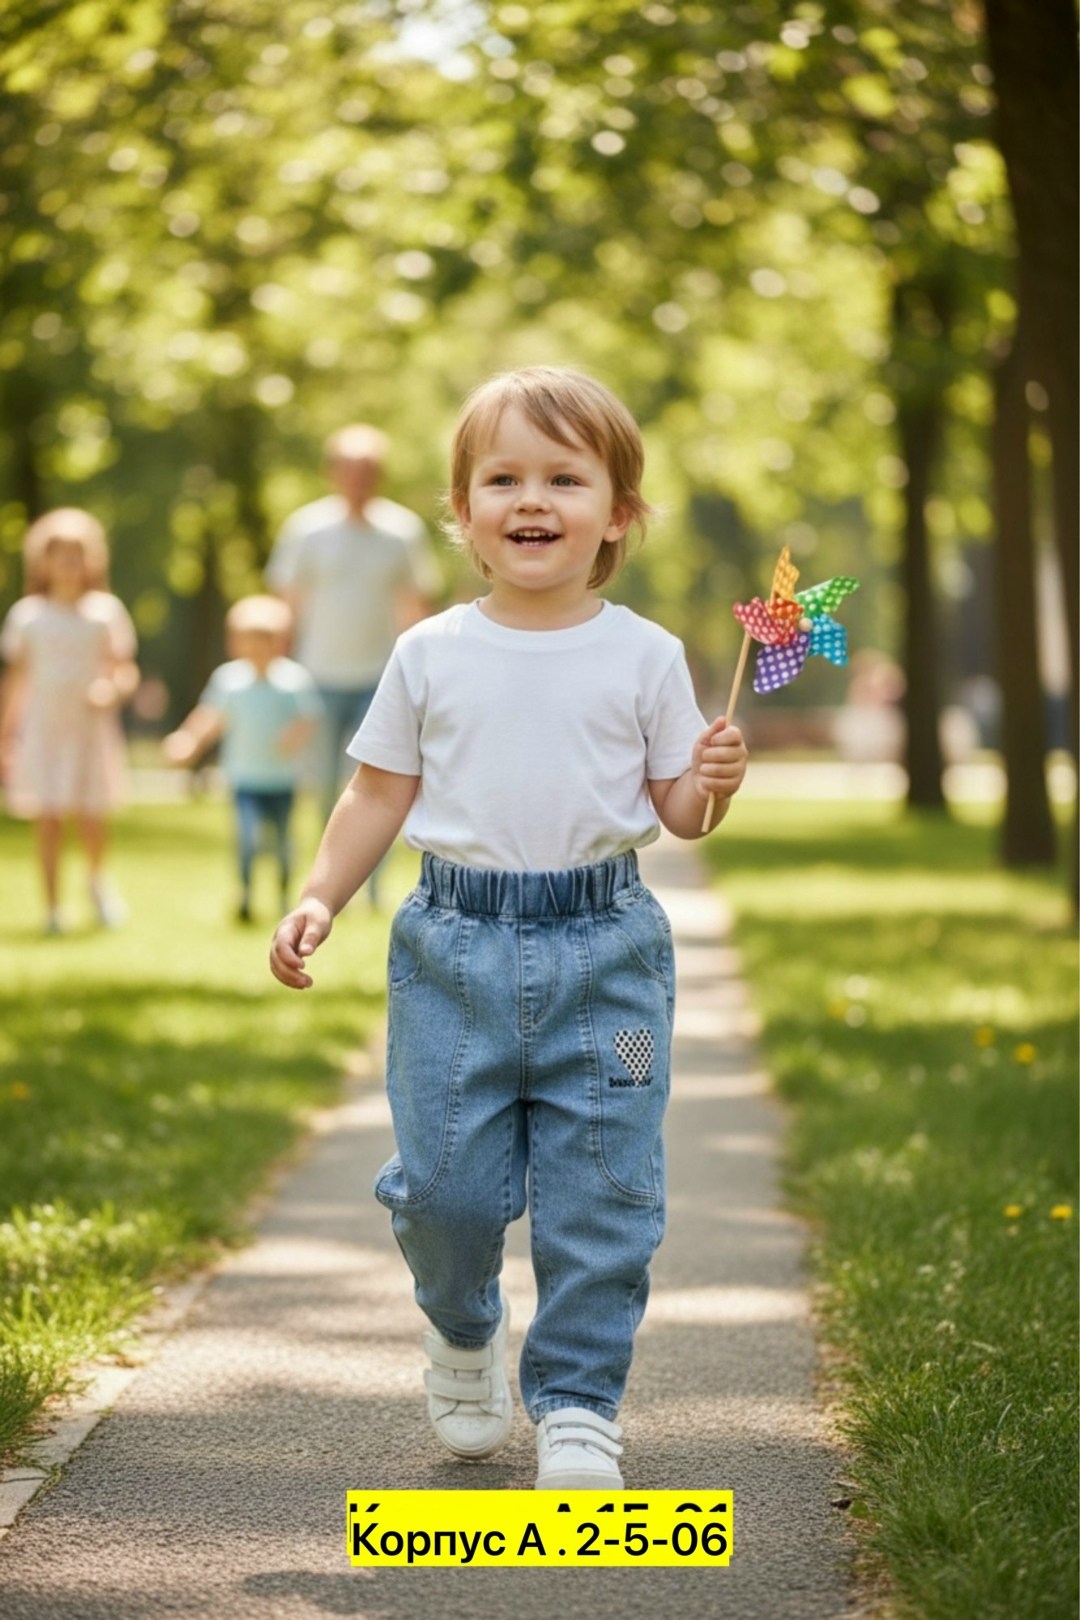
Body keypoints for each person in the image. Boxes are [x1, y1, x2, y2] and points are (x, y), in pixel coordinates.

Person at [269, 367, 748, 1491]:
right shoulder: (431, 652)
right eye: (504, 478)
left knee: (605, 1187)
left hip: (609, 961)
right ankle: (463, 1322)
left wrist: (717, 776)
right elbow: (378, 794)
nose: (532, 499)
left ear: (618, 515)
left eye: (564, 478)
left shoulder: (647, 654)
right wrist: (318, 896)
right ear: (464, 513)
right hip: (453, 953)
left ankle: (579, 1402)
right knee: (444, 1187)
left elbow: (679, 814)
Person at [266, 424, 441, 849]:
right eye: (349, 468)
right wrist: (278, 667)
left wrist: (425, 675)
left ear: (380, 474)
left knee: (381, 785)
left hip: (381, 679)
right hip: (316, 676)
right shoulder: (306, 528)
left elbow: (416, 607)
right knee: (324, 782)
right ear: (333, 471)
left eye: (367, 469)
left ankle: (374, 883)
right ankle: (332, 871)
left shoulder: (403, 531)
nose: (358, 478)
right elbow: (285, 605)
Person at [0, 508, 139, 934]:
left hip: (88, 732)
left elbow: (125, 669)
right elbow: (17, 681)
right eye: (58, 554)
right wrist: (6, 738)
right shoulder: (27, 615)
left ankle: (97, 882)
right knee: (48, 818)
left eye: (76, 554)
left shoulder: (105, 611)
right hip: (44, 730)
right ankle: (53, 907)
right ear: (42, 561)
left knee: (93, 817)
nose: (68, 564)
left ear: (92, 560)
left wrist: (112, 690)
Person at [162, 595, 321, 923]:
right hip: (244, 779)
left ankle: (282, 893)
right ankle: (246, 894)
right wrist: (187, 742)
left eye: (265, 640)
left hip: (281, 779)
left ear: (279, 642)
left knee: (281, 843)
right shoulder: (229, 681)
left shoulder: (293, 680)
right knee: (247, 840)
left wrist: (293, 737)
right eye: (249, 640)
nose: (257, 648)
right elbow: (210, 718)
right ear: (236, 642)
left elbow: (310, 718)